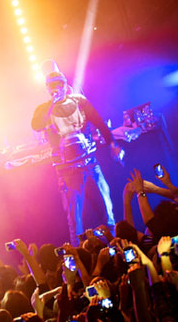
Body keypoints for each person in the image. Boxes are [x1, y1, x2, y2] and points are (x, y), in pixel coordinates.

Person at [31, 60, 121, 244]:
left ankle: (115, 244)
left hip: (90, 164)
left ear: (66, 85)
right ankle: (79, 253)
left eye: (60, 84)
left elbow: (98, 122)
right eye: (52, 86)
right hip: (67, 171)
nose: (56, 89)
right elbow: (36, 125)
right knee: (75, 219)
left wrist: (112, 143)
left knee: (107, 210)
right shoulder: (43, 109)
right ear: (47, 89)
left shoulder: (79, 102)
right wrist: (51, 106)